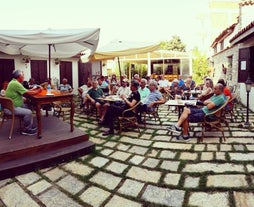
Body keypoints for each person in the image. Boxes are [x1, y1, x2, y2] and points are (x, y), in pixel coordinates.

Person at [5, 69, 42, 136]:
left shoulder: (14, 82)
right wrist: (39, 90)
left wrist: (32, 89)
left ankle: (28, 125)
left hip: (13, 105)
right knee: (29, 112)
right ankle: (27, 130)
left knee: (29, 107)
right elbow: (27, 93)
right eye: (23, 75)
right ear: (20, 76)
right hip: (11, 108)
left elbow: (24, 90)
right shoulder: (15, 84)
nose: (24, 76)